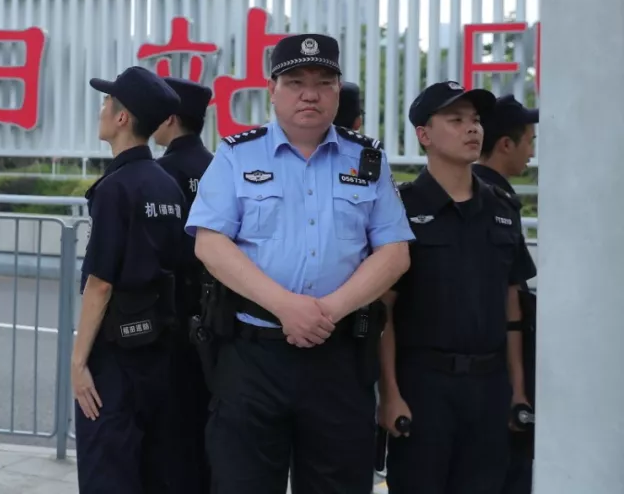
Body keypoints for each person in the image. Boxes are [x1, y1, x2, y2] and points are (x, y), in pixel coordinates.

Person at [186, 32, 414, 494]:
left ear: (338, 90)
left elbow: (394, 253)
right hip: (253, 358)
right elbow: (210, 244)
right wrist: (286, 306)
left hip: (339, 358)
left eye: (323, 82)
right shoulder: (236, 154)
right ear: (272, 90)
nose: (310, 94)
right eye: (295, 82)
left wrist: (326, 312)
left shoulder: (367, 160)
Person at [379, 82, 538, 494]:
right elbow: (384, 312)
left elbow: (512, 306)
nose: (472, 129)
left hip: (489, 387)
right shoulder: (400, 209)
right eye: (455, 120)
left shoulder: (501, 209)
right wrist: (390, 395)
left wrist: (518, 389)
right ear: (424, 135)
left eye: (475, 120)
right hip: (424, 387)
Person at [72, 65, 188, 494]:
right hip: (158, 352)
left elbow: (100, 283)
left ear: (122, 117)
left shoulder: (114, 189)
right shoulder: (168, 186)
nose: (102, 108)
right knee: (150, 473)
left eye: (107, 101)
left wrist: (78, 362)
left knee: (108, 474)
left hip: (115, 358)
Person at [473, 93, 539, 494]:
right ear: (505, 145)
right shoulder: (490, 200)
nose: (531, 152)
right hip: (493, 370)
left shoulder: (488, 194)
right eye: (529, 141)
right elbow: (507, 295)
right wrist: (518, 387)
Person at [153, 76, 215, 494]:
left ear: (171, 119)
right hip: (217, 317)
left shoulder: (161, 173)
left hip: (173, 319)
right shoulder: (218, 168)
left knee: (173, 431)